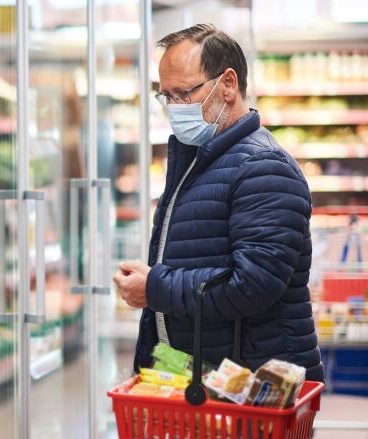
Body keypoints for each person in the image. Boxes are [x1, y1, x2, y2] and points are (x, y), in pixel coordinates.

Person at [113, 24, 324, 381]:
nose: (174, 108)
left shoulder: (263, 167)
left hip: (256, 388)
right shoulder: (201, 160)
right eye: (166, 97)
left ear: (227, 84)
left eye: (183, 93)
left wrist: (155, 288)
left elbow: (253, 284)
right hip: (214, 379)